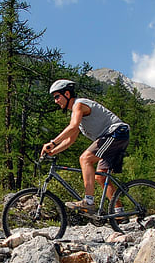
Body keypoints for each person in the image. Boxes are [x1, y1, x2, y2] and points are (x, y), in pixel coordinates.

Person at [40, 79, 130, 214]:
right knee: (101, 176)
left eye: (57, 96)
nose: (56, 101)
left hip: (116, 133)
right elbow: (71, 139)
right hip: (112, 136)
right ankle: (120, 213)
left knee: (85, 159)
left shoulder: (79, 105)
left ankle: (88, 201)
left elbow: (72, 127)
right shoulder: (76, 113)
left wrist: (52, 143)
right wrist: (53, 151)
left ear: (67, 94)